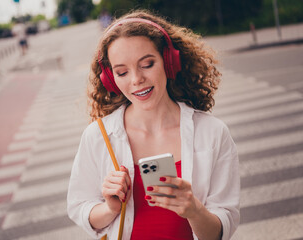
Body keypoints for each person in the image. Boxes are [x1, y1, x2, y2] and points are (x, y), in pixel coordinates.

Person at [67, 10, 240, 240]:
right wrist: (110, 209)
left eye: (147, 64)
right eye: (122, 72)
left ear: (169, 61)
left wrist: (194, 210)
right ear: (110, 79)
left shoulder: (212, 133)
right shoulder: (97, 136)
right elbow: (80, 208)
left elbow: (220, 231)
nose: (136, 79)